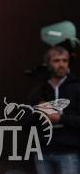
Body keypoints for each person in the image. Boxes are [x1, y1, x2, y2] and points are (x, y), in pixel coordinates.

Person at [28, 46, 80, 174]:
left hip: (68, 152)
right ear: (48, 64)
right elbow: (25, 123)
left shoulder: (77, 89)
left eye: (64, 60)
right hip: (43, 152)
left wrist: (60, 118)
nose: (61, 64)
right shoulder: (38, 91)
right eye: (56, 61)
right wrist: (39, 113)